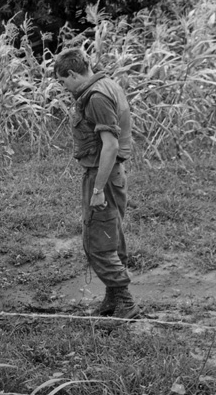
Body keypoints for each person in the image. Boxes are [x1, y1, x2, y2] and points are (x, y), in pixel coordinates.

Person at [53, 48, 139, 319]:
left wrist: (98, 190)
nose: (64, 88)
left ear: (73, 74)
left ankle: (125, 301)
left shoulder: (96, 97)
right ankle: (113, 299)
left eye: (63, 82)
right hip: (111, 174)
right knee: (110, 236)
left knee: (97, 241)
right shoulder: (107, 84)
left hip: (104, 175)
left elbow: (110, 146)